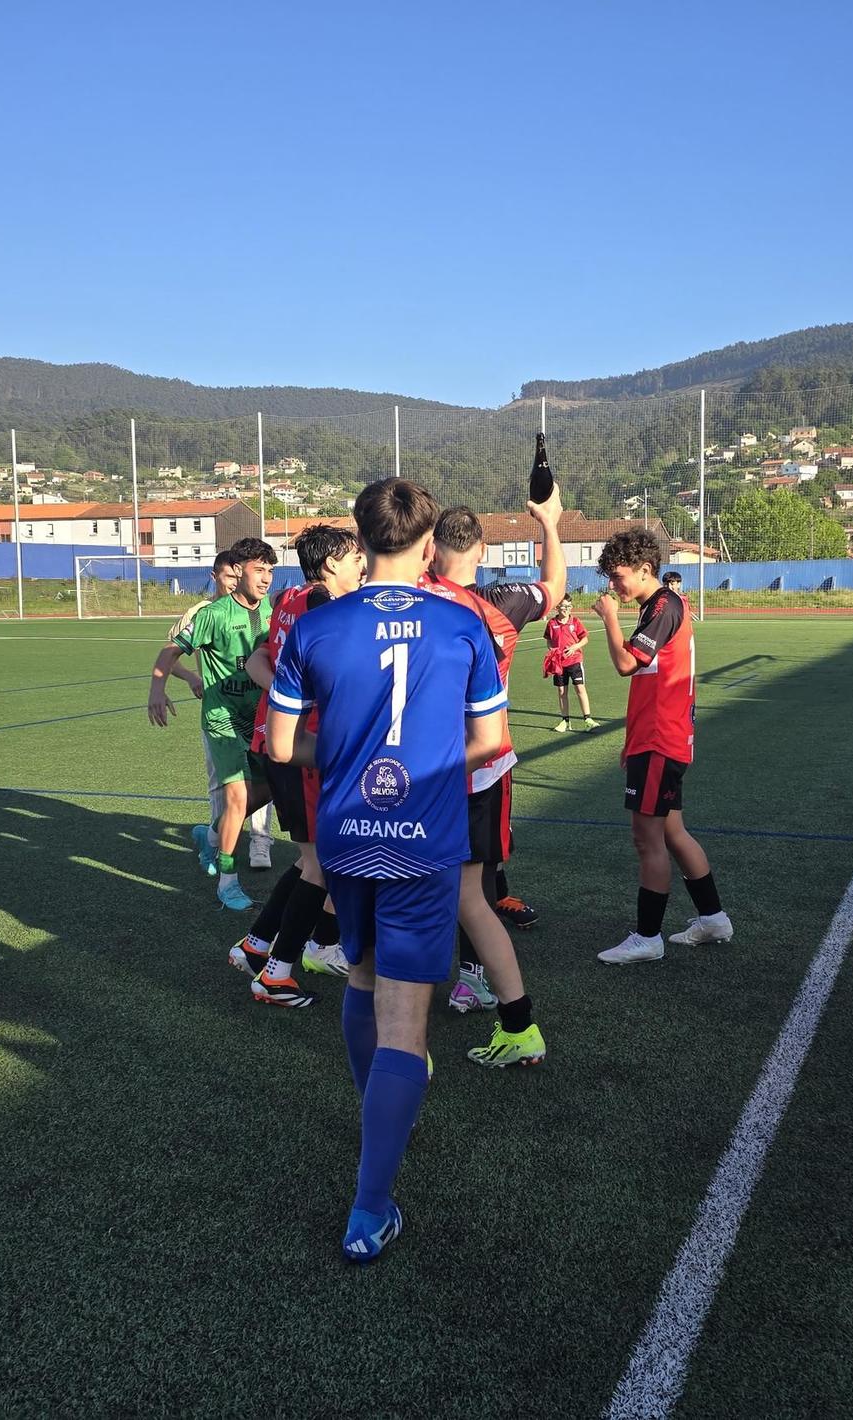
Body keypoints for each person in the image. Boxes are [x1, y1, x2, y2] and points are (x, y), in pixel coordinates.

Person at [266, 477, 510, 1262]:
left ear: (359, 540)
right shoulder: (462, 623)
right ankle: (370, 1210)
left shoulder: (315, 625)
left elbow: (277, 747)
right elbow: (491, 741)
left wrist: (339, 756)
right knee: (407, 1021)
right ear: (431, 543)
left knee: (362, 985)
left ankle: (382, 1122)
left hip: (345, 837)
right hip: (424, 840)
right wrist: (422, 764)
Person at [420, 494, 563, 1060]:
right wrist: (549, 523)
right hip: (480, 766)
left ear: (430, 550)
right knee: (469, 892)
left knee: (432, 892)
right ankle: (495, 1002)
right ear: (480, 549)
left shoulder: (408, 601)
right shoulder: (501, 602)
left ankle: (453, 998)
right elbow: (553, 586)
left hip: (416, 772)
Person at [232, 524, 363, 1005]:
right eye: (353, 558)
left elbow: (259, 657)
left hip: (278, 739)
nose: (362, 566)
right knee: (322, 866)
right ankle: (277, 972)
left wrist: (279, 692)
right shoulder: (325, 607)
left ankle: (257, 944)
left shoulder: (289, 598)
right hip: (302, 746)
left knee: (311, 860)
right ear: (330, 563)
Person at [592, 527, 732, 963]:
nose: (613, 586)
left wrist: (609, 617)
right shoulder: (659, 605)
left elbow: (626, 664)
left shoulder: (664, 605)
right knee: (671, 831)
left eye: (618, 577)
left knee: (647, 838)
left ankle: (647, 938)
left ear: (645, 569)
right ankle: (713, 918)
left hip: (660, 740)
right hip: (655, 738)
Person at [152, 538, 277, 911]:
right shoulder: (212, 614)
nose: (266, 577)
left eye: (270, 570)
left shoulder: (276, 610)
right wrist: (157, 689)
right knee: (237, 798)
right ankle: (227, 880)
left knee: (269, 790)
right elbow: (170, 650)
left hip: (261, 720)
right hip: (222, 720)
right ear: (237, 573)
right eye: (259, 569)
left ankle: (210, 834)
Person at [544, 595, 598, 732]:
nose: (567, 609)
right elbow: (549, 640)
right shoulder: (551, 623)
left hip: (574, 661)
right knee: (562, 691)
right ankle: (564, 721)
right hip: (559, 664)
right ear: (557, 607)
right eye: (564, 606)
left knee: (580, 688)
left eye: (569, 606)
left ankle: (587, 719)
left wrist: (574, 647)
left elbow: (584, 639)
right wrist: (552, 649)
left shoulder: (575, 622)